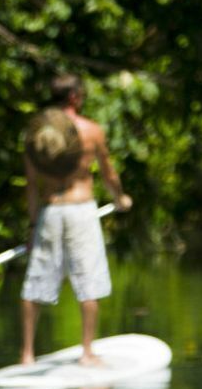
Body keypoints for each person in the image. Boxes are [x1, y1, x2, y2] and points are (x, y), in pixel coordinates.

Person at [20, 73, 131, 366]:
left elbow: (31, 185)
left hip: (50, 210)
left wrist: (32, 226)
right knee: (88, 279)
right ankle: (87, 352)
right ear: (74, 97)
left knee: (36, 282)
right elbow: (109, 174)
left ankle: (27, 354)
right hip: (81, 209)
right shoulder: (91, 130)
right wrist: (120, 199)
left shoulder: (35, 134)